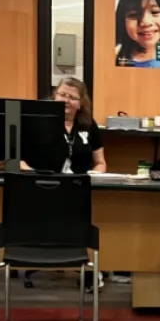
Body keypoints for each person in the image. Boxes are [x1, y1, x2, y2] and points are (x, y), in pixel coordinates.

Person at [22, 77, 106, 293]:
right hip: (40, 188)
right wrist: (31, 174)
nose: (66, 100)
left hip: (77, 190)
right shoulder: (37, 121)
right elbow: (17, 159)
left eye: (72, 97)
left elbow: (100, 163)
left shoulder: (88, 125)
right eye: (62, 95)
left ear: (81, 103)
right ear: (54, 96)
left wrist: (93, 176)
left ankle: (91, 267)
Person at [115, 0, 160, 69]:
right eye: (134, 14)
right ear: (122, 21)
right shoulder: (116, 56)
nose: (146, 22)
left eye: (155, 12)